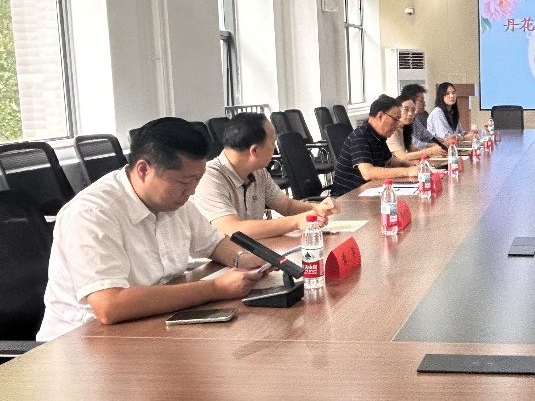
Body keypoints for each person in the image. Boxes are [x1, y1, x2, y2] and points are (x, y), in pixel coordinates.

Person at [37, 117, 271, 341]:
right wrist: (215, 288)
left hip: (153, 321)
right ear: (143, 170)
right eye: (183, 181)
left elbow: (214, 243)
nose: (191, 190)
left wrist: (242, 259)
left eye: (198, 179)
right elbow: (109, 305)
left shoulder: (174, 201)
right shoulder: (93, 214)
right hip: (82, 342)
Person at [192, 113, 340, 238]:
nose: (275, 149)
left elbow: (286, 206)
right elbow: (233, 229)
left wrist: (317, 208)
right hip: (218, 260)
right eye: (272, 144)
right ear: (254, 151)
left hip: (251, 251)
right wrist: (296, 222)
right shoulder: (209, 177)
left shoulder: (258, 172)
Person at [331, 94, 420, 197]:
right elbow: (368, 173)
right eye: (395, 120)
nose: (397, 125)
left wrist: (410, 164)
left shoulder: (378, 136)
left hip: (368, 191)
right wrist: (407, 171)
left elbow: (390, 161)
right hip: (347, 198)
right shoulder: (360, 136)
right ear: (380, 116)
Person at [388, 95, 447, 164]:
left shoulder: (405, 129)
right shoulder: (391, 131)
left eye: (413, 110)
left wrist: (438, 148)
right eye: (406, 110)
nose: (410, 114)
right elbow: (402, 157)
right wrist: (431, 151)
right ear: (397, 110)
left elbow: (413, 150)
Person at [401, 83, 438, 148]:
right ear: (411, 102)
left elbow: (428, 135)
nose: (424, 104)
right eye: (421, 100)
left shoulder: (415, 120)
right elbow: (415, 144)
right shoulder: (404, 122)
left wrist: (443, 141)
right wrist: (437, 145)